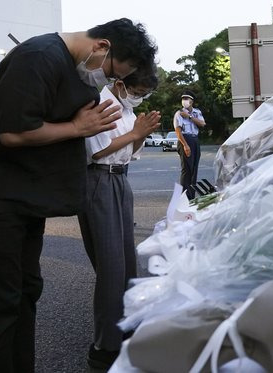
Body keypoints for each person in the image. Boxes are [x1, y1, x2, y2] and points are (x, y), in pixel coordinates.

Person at [0, 18, 157, 373]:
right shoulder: (38, 56)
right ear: (102, 47)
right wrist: (77, 127)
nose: (111, 82)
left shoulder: (77, 72)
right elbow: (12, 133)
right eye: (115, 72)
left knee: (25, 293)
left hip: (22, 199)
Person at [77, 66, 160, 370]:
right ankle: (104, 346)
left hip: (120, 179)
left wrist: (140, 135)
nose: (139, 99)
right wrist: (136, 132)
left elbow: (130, 149)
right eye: (137, 92)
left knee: (126, 262)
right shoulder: (97, 102)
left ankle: (126, 328)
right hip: (99, 179)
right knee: (111, 267)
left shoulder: (125, 108)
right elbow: (97, 152)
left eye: (144, 95)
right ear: (122, 84)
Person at [173, 89, 206, 199]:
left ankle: (191, 196)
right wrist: (185, 145)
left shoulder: (197, 112)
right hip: (185, 139)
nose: (184, 101)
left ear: (192, 101)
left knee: (194, 170)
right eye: (183, 99)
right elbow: (178, 131)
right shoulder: (179, 113)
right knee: (187, 170)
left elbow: (202, 123)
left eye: (186, 99)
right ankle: (184, 197)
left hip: (195, 140)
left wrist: (190, 117)